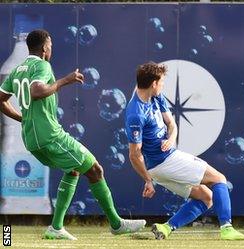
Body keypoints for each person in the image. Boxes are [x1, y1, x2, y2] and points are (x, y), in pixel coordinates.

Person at [0, 29, 145, 240]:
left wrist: (23, 119)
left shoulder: (17, 69)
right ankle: (116, 223)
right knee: (95, 169)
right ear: (44, 48)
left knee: (73, 170)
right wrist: (64, 80)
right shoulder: (41, 64)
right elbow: (37, 91)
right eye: (50, 45)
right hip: (50, 136)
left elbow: (2, 99)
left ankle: (56, 227)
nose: (51, 49)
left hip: (31, 138)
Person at [125, 62, 244, 240]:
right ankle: (227, 227)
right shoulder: (135, 114)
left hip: (160, 166)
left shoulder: (155, 96)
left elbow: (172, 124)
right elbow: (134, 154)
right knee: (219, 179)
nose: (162, 85)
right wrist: (147, 180)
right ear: (153, 83)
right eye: (161, 82)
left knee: (206, 198)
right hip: (165, 161)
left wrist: (170, 138)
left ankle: (166, 228)